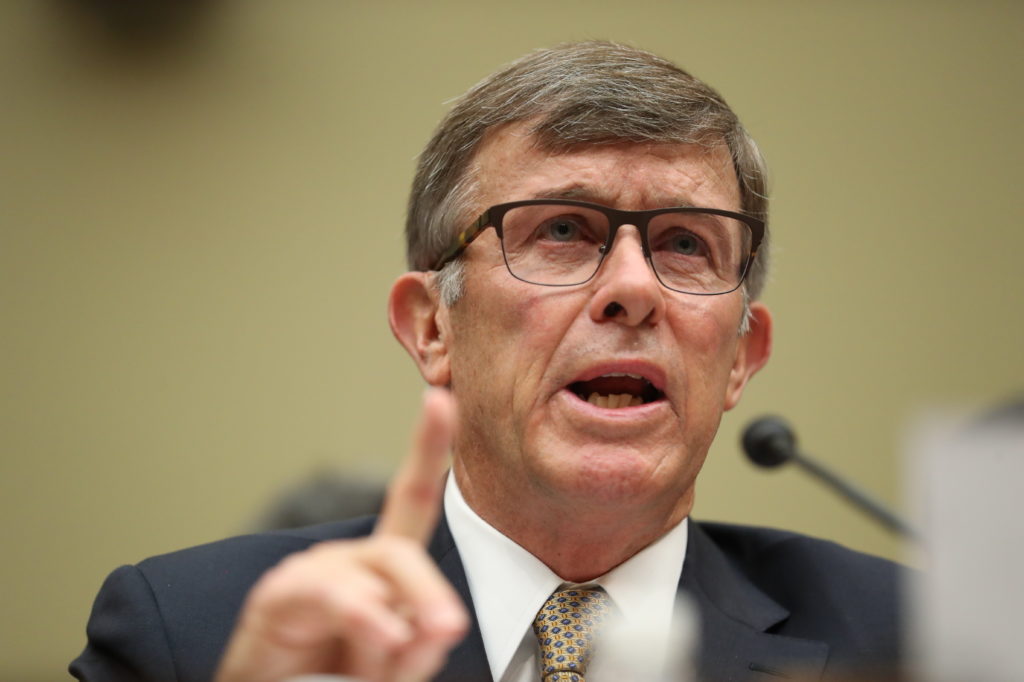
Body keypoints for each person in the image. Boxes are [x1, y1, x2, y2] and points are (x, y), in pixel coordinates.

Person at [71, 41, 902, 682]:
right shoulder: (189, 635)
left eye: (685, 244)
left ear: (740, 358)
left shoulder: (910, 637)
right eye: (562, 230)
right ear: (432, 326)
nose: (631, 289)